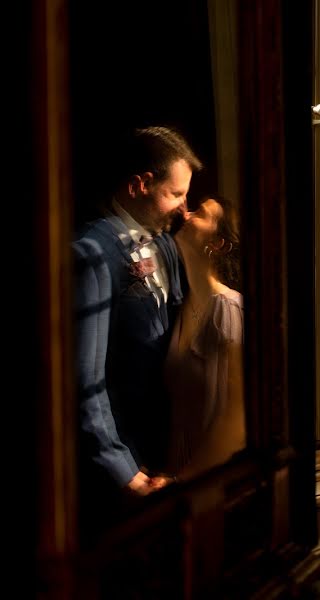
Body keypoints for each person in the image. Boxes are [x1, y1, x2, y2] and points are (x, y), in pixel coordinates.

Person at [72, 126, 202, 521]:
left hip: (169, 458)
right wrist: (123, 471)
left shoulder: (164, 241)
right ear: (139, 185)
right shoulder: (91, 253)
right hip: (125, 471)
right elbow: (84, 380)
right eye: (175, 194)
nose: (184, 207)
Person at [163, 193, 245, 481]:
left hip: (207, 486)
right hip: (176, 476)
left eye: (199, 212)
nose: (186, 214)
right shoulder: (181, 303)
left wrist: (183, 483)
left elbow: (234, 423)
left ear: (217, 244)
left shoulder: (228, 309)